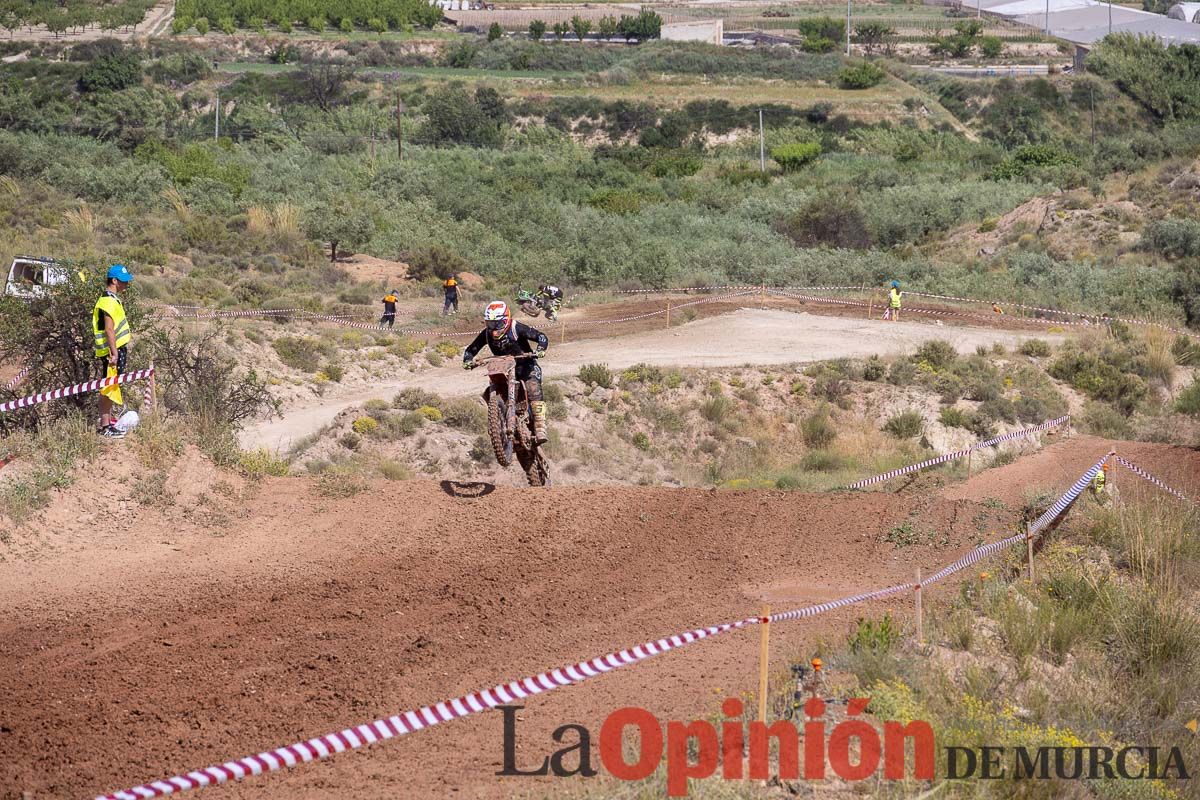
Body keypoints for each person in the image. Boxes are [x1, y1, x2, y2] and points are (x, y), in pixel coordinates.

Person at [462, 301, 549, 444]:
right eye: (490, 324)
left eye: (497, 324)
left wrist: (540, 350)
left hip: (526, 366)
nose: (494, 328)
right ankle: (498, 422)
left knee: (533, 388)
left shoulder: (516, 328)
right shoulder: (486, 334)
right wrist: (468, 360)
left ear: (506, 320)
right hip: (504, 369)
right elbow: (471, 349)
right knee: (488, 392)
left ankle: (540, 427)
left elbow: (541, 336)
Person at [92, 264, 134, 439]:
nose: (126, 285)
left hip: (114, 350)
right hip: (111, 353)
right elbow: (109, 330)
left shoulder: (111, 298)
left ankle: (108, 422)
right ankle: (105, 427)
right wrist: (114, 353)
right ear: (114, 281)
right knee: (108, 388)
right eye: (123, 281)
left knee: (110, 386)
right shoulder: (108, 301)